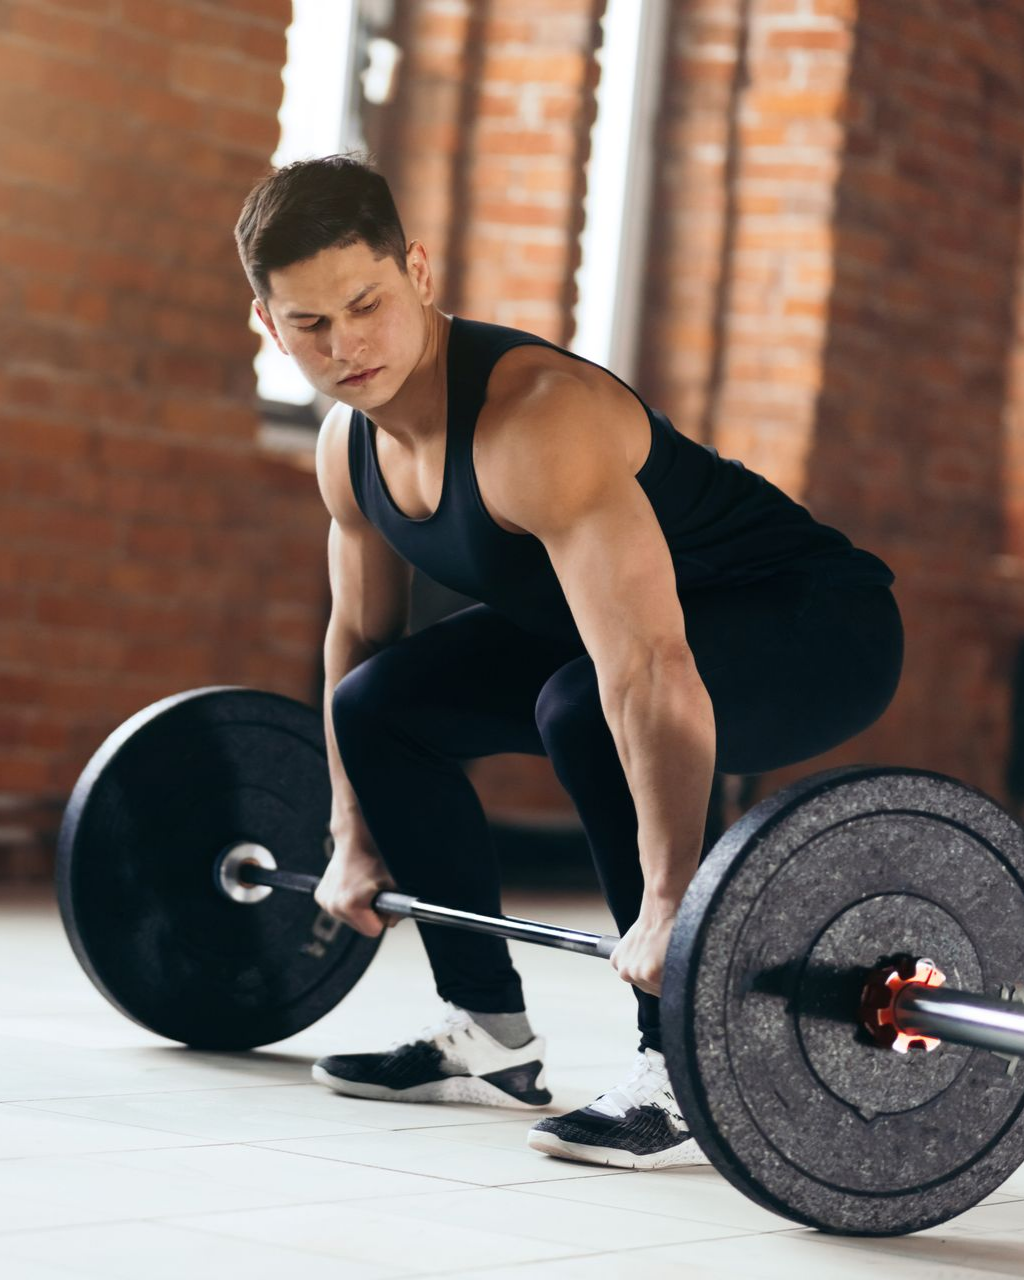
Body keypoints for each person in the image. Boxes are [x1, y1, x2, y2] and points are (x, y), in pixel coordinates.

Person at [234, 153, 904, 1170]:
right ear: (267, 325)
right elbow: (359, 638)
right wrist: (351, 835)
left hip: (815, 627)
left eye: (364, 303)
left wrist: (673, 897)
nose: (345, 345)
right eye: (309, 324)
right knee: (380, 702)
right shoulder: (349, 448)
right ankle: (487, 1029)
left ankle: (680, 1059)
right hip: (614, 644)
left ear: (417, 270)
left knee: (581, 704)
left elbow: (644, 663)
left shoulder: (536, 418)